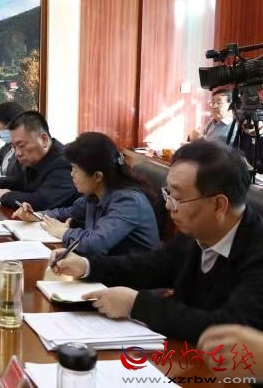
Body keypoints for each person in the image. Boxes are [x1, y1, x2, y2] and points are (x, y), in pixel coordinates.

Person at [52, 140, 263, 343]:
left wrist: (136, 305)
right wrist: (86, 265)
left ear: (218, 205)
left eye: (177, 198)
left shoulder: (256, 249)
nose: (169, 206)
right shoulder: (195, 235)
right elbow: (149, 266)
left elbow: (229, 329)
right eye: (167, 193)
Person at [14, 132, 160, 256]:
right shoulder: (95, 194)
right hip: (104, 269)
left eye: (75, 169)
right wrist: (36, 216)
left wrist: (63, 232)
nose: (71, 174)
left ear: (97, 176)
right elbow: (67, 212)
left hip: (131, 278)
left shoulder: (128, 202)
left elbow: (95, 244)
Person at [0, 111, 78, 210]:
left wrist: (4, 196)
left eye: (21, 145)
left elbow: (42, 201)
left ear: (44, 139)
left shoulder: (64, 162)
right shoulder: (38, 159)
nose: (17, 153)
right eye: (14, 147)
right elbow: (19, 181)